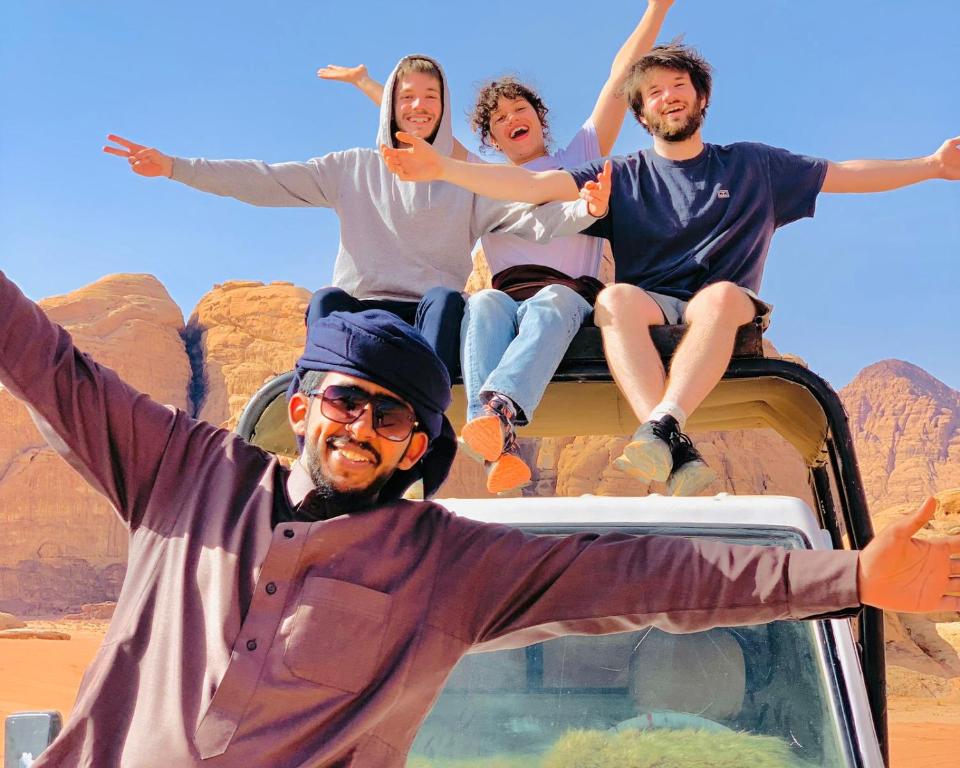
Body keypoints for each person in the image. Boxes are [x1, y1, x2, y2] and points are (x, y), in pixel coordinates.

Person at [3, 268, 959, 766]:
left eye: (395, 419)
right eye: (347, 400)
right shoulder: (184, 474)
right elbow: (48, 363)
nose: (364, 428)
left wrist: (857, 579)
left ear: (419, 449)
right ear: (302, 405)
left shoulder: (447, 566)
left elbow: (656, 579)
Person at [380, 41, 960, 496]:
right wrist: (445, 169)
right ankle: (674, 446)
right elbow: (530, 185)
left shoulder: (754, 165)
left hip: (725, 309)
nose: (667, 96)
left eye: (678, 86)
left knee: (716, 299)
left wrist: (931, 166)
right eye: (653, 91)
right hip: (653, 309)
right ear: (641, 112)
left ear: (701, 98)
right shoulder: (624, 175)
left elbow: (844, 173)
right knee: (612, 301)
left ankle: (662, 425)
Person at [318, 2, 674, 494]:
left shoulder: (579, 158)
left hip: (568, 296)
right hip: (508, 297)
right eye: (499, 118)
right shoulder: (483, 181)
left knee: (549, 303)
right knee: (481, 302)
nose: (512, 120)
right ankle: (496, 444)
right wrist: (368, 85)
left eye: (519, 110)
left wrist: (656, 11)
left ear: (538, 117)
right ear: (490, 136)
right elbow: (422, 128)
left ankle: (498, 410)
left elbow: (620, 78)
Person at [102, 54, 602, 379]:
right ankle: (316, 414)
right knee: (325, 300)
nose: (419, 106)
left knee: (451, 299)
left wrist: (584, 210)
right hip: (364, 306)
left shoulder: (464, 179)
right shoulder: (351, 168)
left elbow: (533, 221)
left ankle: (421, 419)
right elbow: (265, 180)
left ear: (443, 109)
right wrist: (174, 167)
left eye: (431, 97)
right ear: (391, 106)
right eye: (406, 97)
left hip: (430, 316)